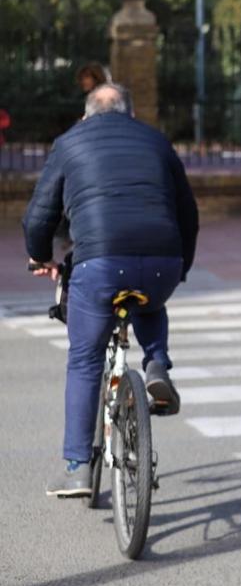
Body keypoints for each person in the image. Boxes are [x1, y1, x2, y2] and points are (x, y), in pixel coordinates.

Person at [23, 83, 198, 498]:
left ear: (86, 115)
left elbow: (39, 215)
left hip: (100, 263)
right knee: (148, 296)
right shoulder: (157, 141)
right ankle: (157, 365)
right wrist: (180, 268)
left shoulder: (69, 142)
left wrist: (40, 256)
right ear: (130, 114)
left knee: (84, 359)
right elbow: (188, 214)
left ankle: (78, 466)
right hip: (162, 261)